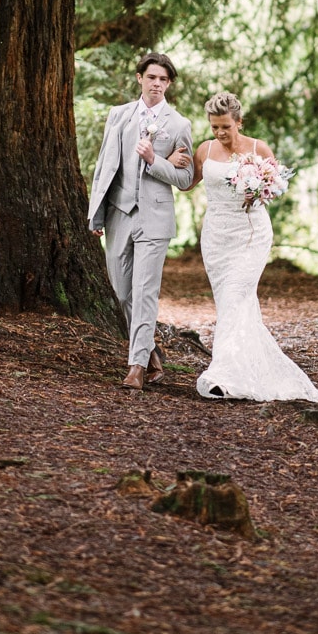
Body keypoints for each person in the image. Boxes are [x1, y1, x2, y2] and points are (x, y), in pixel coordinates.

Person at [175, 91, 318, 404]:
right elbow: (187, 183)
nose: (220, 133)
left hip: (251, 235)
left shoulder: (258, 148)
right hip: (215, 237)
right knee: (232, 305)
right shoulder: (205, 149)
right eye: (214, 127)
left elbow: (277, 185)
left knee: (235, 296)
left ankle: (220, 375)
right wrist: (170, 162)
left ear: (239, 122)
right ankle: (243, 370)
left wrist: (259, 187)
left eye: (225, 126)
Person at [88, 53, 195, 391]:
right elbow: (105, 167)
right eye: (152, 78)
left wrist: (155, 161)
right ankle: (150, 353)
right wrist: (97, 213)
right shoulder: (119, 116)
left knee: (145, 291)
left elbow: (186, 177)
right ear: (139, 78)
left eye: (163, 80)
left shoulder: (179, 125)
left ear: (169, 84)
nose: (157, 84)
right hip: (120, 214)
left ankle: (135, 367)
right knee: (121, 292)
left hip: (155, 218)